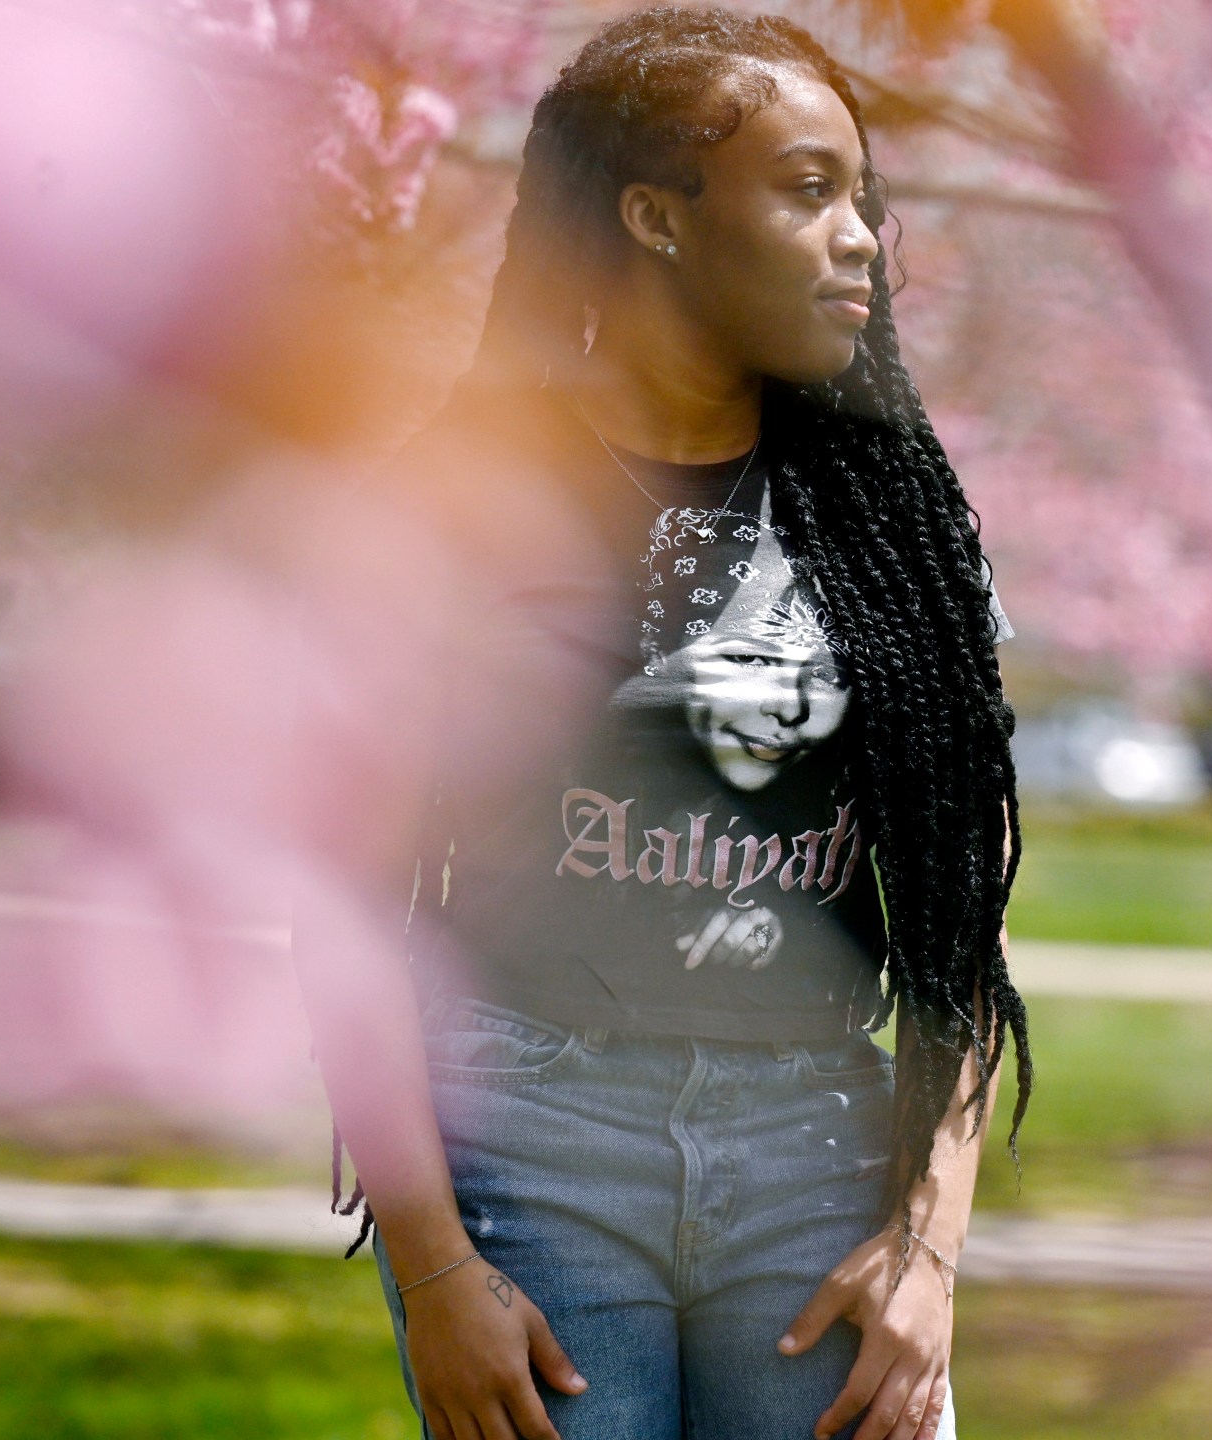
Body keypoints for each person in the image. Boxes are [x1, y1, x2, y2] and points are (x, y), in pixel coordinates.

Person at [287, 11, 1030, 1440]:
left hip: (823, 1151)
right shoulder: (448, 501)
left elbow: (959, 929)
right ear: (656, 218)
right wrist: (435, 1267)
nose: (864, 238)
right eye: (810, 191)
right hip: (535, 1151)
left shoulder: (896, 527)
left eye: (862, 199)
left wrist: (931, 1245)